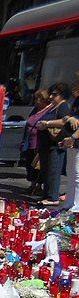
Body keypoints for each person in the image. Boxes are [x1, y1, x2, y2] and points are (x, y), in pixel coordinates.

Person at [35, 82, 71, 206]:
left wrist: (47, 123)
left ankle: (52, 197)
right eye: (51, 94)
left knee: (53, 170)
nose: (51, 97)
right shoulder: (52, 106)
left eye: (54, 94)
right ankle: (47, 194)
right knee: (46, 170)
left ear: (62, 95)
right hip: (46, 143)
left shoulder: (63, 106)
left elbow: (64, 121)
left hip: (55, 143)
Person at [20, 89, 51, 195]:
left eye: (39, 98)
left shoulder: (48, 111)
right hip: (29, 141)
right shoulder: (35, 110)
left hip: (38, 141)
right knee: (30, 164)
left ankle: (39, 186)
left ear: (44, 100)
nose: (36, 101)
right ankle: (32, 184)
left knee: (38, 166)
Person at [59, 81, 79, 212]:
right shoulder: (77, 100)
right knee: (71, 172)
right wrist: (69, 118)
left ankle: (77, 204)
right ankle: (69, 202)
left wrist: (73, 137)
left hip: (75, 140)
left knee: (77, 173)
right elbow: (71, 117)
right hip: (72, 142)